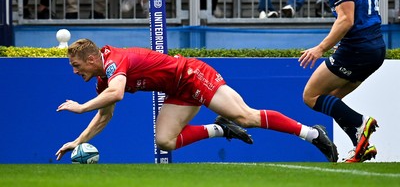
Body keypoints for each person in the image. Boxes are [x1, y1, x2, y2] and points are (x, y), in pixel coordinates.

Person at [55, 38, 338, 162]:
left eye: (77, 66)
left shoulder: (115, 62)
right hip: (178, 90)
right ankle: (221, 129)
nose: (75, 71)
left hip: (191, 74)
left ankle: (313, 134)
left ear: (92, 59)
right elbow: (106, 115)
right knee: (165, 140)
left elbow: (116, 94)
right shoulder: (104, 78)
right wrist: (78, 141)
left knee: (246, 117)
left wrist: (79, 107)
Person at [299, 0, 385, 163]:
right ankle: (361, 145)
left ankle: (360, 124)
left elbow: (345, 19)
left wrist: (320, 48)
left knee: (310, 96)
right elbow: (365, 15)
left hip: (357, 50)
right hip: (375, 49)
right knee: (332, 100)